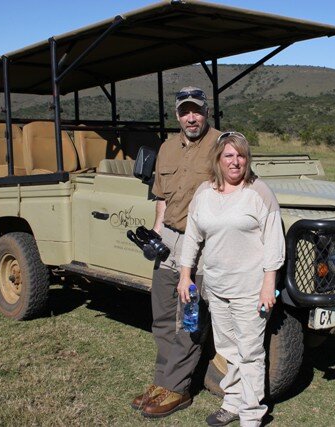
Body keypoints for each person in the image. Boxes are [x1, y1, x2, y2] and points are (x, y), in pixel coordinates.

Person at [178, 132, 285, 427]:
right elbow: (192, 236)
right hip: (216, 287)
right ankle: (233, 402)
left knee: (250, 352)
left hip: (250, 289)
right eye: (229, 155)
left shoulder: (259, 191)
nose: (235, 161)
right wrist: (185, 273)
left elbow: (274, 242)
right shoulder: (204, 192)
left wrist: (268, 284)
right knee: (226, 349)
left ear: (247, 160)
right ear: (218, 159)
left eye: (240, 156)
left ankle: (251, 414)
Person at [132, 87, 222, 418]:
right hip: (169, 238)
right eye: (185, 111)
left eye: (196, 110)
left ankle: (179, 389)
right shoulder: (167, 147)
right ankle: (163, 381)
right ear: (177, 115)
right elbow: (161, 197)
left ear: (206, 112)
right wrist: (156, 234)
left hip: (200, 243)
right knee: (162, 313)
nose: (191, 117)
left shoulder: (221, 146)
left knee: (189, 318)